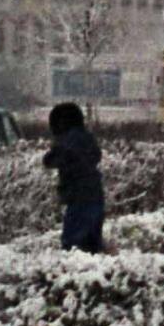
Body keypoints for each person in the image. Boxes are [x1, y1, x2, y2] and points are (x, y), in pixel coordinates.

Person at [44, 101, 105, 254]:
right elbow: (96, 155)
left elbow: (50, 160)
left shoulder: (67, 141)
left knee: (73, 246)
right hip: (95, 194)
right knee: (92, 244)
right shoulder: (87, 137)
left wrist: (55, 150)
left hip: (78, 197)